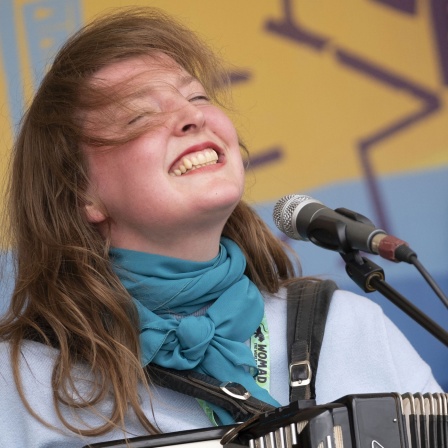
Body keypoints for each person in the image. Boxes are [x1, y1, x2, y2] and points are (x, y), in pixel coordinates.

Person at [0, 6, 442, 448]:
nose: (193, 118)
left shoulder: (348, 326)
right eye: (138, 117)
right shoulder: (24, 379)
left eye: (197, 98)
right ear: (82, 194)